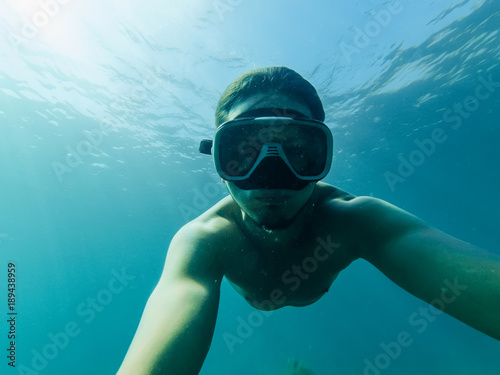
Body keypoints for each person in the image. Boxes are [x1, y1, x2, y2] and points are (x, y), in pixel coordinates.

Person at [117, 66, 500, 375]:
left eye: (297, 151)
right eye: (244, 152)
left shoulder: (353, 219)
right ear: (219, 163)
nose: (270, 174)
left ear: (321, 158)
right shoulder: (205, 239)